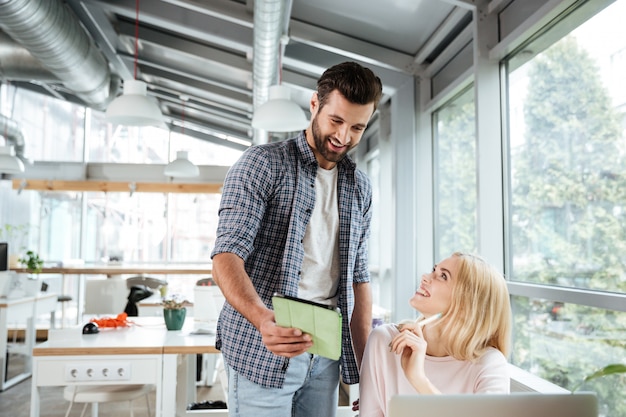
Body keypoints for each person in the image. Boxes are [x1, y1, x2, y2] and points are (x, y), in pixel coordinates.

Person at [210, 61, 384, 417]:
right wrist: (263, 320)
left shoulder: (360, 188)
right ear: (315, 105)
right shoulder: (262, 164)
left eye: (357, 127)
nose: (344, 137)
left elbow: (358, 278)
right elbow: (227, 255)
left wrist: (369, 372)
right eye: (336, 121)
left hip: (325, 354)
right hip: (262, 346)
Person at [358, 252, 512, 417]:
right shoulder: (384, 341)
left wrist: (419, 379)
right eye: (434, 270)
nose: (425, 277)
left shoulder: (490, 364)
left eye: (443, 276)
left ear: (466, 304)